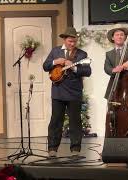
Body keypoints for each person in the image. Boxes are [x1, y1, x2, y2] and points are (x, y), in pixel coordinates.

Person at [43, 27, 91, 157]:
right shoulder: (55, 51)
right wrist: (55, 61)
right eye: (70, 41)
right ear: (64, 39)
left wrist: (74, 67)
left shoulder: (81, 54)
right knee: (56, 120)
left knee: (75, 121)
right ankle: (52, 148)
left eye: (74, 41)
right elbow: (45, 66)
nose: (72, 44)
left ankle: (75, 149)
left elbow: (87, 72)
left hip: (74, 92)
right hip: (58, 91)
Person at [103, 26, 128, 137]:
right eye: (117, 35)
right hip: (113, 89)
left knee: (125, 116)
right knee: (110, 117)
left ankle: (124, 140)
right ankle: (109, 142)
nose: (119, 37)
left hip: (126, 90)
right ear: (113, 38)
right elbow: (106, 68)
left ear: (125, 37)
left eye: (122, 35)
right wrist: (113, 70)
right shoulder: (109, 54)